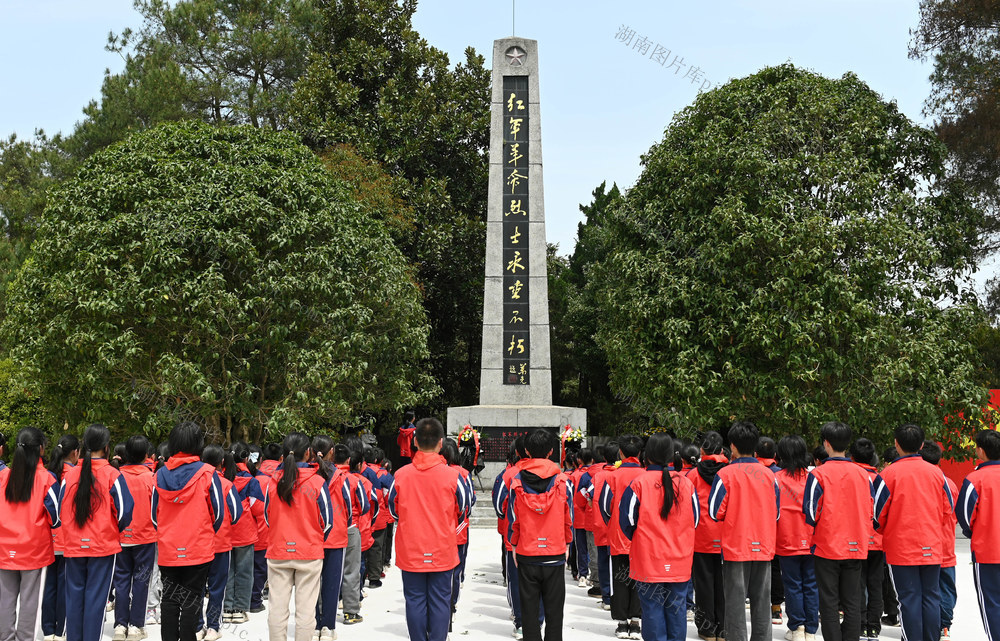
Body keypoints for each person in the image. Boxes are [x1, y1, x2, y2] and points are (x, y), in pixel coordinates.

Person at [388, 417, 468, 641]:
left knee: (414, 600)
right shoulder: (454, 476)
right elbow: (464, 508)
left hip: (411, 548)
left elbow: (392, 510)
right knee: (441, 600)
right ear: (441, 443)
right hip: (442, 548)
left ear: (414, 441)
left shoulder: (401, 475)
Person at [873, 423, 954, 641]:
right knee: (931, 597)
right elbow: (949, 510)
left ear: (896, 444)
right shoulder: (937, 475)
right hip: (932, 544)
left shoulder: (888, 474)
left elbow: (876, 515)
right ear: (921, 445)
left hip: (901, 548)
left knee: (908, 599)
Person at [59, 423, 134, 641]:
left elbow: (60, 511)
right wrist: (111, 529)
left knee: (74, 597)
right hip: (102, 546)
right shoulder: (112, 474)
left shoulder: (70, 475)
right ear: (107, 446)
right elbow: (125, 512)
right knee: (95, 600)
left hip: (73, 546)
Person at [620, 433, 698, 641]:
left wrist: (641, 539)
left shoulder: (639, 483)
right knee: (677, 608)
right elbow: (696, 520)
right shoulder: (687, 484)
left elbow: (626, 522)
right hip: (680, 558)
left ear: (647, 455)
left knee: (652, 608)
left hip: (648, 558)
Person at [153, 421, 224, 641]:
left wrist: (167, 534)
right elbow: (219, 513)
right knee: (193, 599)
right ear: (198, 444)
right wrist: (203, 533)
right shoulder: (208, 474)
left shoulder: (159, 475)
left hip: (168, 548)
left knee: (170, 598)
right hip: (197, 548)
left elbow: (153, 516)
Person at [709, 420, 779, 641]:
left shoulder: (726, 474)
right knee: (762, 600)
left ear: (733, 447)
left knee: (735, 602)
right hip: (764, 545)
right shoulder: (769, 476)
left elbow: (714, 512)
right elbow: (776, 513)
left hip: (736, 545)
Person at [803, 421, 873, 641]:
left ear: (826, 443)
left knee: (829, 601)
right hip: (856, 544)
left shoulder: (818, 474)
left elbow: (810, 511)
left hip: (827, 545)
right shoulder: (863, 474)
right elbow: (872, 508)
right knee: (853, 600)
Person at [506, 429, 574, 641]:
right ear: (552, 451)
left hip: (527, 552)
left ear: (526, 451)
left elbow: (513, 519)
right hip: (554, 553)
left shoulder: (516, 481)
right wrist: (567, 544)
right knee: (555, 613)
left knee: (529, 613)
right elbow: (568, 518)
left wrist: (514, 545)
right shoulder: (563, 481)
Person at [264, 432, 333, 641]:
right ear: (308, 453)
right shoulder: (317, 483)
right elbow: (328, 521)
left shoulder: (273, 481)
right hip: (309, 552)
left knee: (277, 608)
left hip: (278, 551)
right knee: (306, 611)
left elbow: (268, 517)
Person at [0, 426, 59, 641]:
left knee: (4, 600)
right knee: (30, 602)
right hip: (33, 549)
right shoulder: (47, 479)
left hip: (4, 548)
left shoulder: (3, 477)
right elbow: (57, 517)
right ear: (40, 449)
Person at [599, 434, 647, 639]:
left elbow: (604, 506)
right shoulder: (646, 475)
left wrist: (614, 522)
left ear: (620, 453)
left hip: (618, 535)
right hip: (641, 536)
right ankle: (636, 622)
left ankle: (621, 624)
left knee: (620, 578)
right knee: (640, 579)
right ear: (639, 454)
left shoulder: (612, 476)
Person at [956, 428, 1000, 641]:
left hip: (988, 551)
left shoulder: (975, 479)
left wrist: (974, 531)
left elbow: (964, 515)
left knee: (991, 603)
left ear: (981, 451)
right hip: (988, 550)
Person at [112, 435, 157, 641]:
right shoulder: (150, 478)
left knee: (121, 580)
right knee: (141, 581)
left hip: (120, 536)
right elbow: (157, 510)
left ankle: (120, 625)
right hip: (145, 537)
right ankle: (136, 625)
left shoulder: (116, 476)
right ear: (146, 455)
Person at [774, 435, 818, 641]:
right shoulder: (814, 477)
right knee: (811, 584)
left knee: (792, 585)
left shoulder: (776, 479)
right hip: (812, 540)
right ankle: (810, 629)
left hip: (786, 539)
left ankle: (797, 627)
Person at [197, 446, 243, 641]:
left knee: (197, 587)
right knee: (217, 588)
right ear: (222, 463)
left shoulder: (195, 482)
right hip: (221, 542)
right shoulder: (225, 484)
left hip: (198, 543)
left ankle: (197, 625)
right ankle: (213, 627)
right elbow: (236, 512)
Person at [686, 431, 728, 641]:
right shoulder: (730, 472)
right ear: (722, 450)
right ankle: (723, 629)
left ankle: (706, 629)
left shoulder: (692, 475)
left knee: (703, 584)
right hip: (728, 538)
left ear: (702, 451)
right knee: (724, 584)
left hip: (700, 535)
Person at [313, 441, 353, 641]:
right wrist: (344, 523)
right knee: (331, 584)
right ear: (332, 452)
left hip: (311, 536)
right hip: (335, 536)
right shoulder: (340, 476)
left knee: (310, 584)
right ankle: (327, 627)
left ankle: (313, 624)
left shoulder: (308, 475)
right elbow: (352, 506)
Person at [41, 433, 79, 641]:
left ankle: (47, 630)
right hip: (68, 538)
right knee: (66, 585)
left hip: (48, 538)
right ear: (75, 453)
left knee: (49, 585)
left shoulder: (49, 474)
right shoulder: (76, 474)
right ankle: (60, 631)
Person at [919, 440, 958, 641]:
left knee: (926, 591)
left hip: (925, 546)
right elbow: (956, 514)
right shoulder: (949, 483)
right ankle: (944, 627)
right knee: (946, 588)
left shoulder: (921, 482)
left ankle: (926, 626)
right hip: (947, 544)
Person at [224, 441, 264, 623]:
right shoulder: (251, 481)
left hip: (224, 532)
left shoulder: (222, 479)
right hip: (245, 532)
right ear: (247, 458)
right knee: (244, 571)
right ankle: (240, 609)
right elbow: (258, 509)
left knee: (228, 570)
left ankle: (227, 607)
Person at [851, 438, 885, 641]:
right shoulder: (880, 478)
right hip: (878, 540)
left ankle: (861, 624)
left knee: (857, 583)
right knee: (876, 584)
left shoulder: (851, 476)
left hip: (856, 539)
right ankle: (874, 627)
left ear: (852, 456)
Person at [579, 441, 619, 613]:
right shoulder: (629, 474)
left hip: (602, 525)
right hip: (622, 530)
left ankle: (607, 597)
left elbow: (585, 496)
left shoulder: (597, 477)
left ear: (604, 458)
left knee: (603, 560)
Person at [442, 439, 475, 617]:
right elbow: (469, 500)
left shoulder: (437, 473)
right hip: (459, 525)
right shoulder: (462, 473)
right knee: (456, 565)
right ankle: (451, 604)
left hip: (438, 528)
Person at [569, 449, 593, 589]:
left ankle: (582, 574)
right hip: (594, 516)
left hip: (579, 515)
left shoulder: (574, 476)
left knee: (581, 547)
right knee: (593, 547)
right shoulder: (597, 474)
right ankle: (592, 574)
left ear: (579, 460)